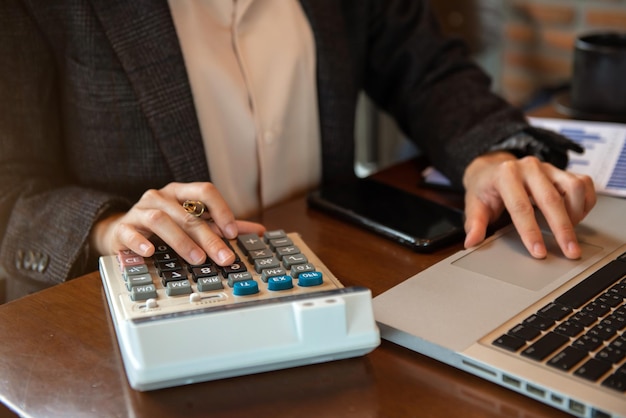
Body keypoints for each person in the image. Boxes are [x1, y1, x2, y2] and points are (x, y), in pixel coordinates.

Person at [0, 0, 595, 301]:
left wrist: (487, 153)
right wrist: (108, 227)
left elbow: (424, 68)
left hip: (332, 281)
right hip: (133, 319)